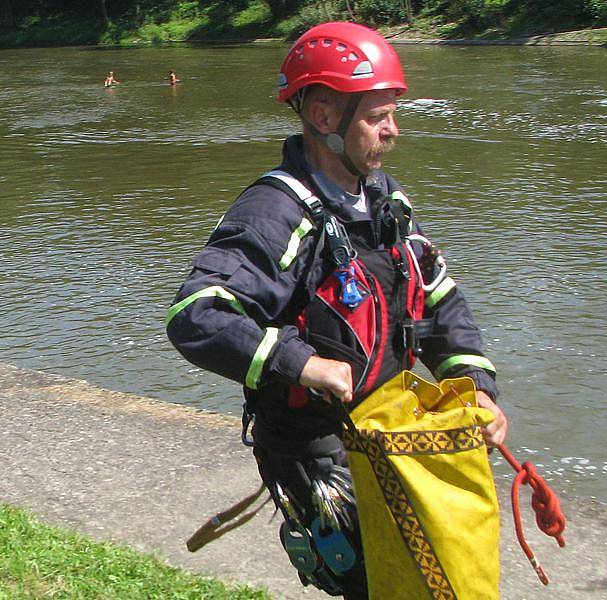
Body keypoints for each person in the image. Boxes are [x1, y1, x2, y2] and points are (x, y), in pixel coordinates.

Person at [166, 21, 507, 598]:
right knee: (380, 585)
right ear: (325, 117)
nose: (393, 131)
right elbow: (196, 315)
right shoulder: (273, 212)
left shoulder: (383, 199)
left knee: (434, 577)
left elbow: (441, 296)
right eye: (378, 117)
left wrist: (474, 383)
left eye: (393, 114)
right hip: (319, 452)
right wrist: (301, 363)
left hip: (387, 434)